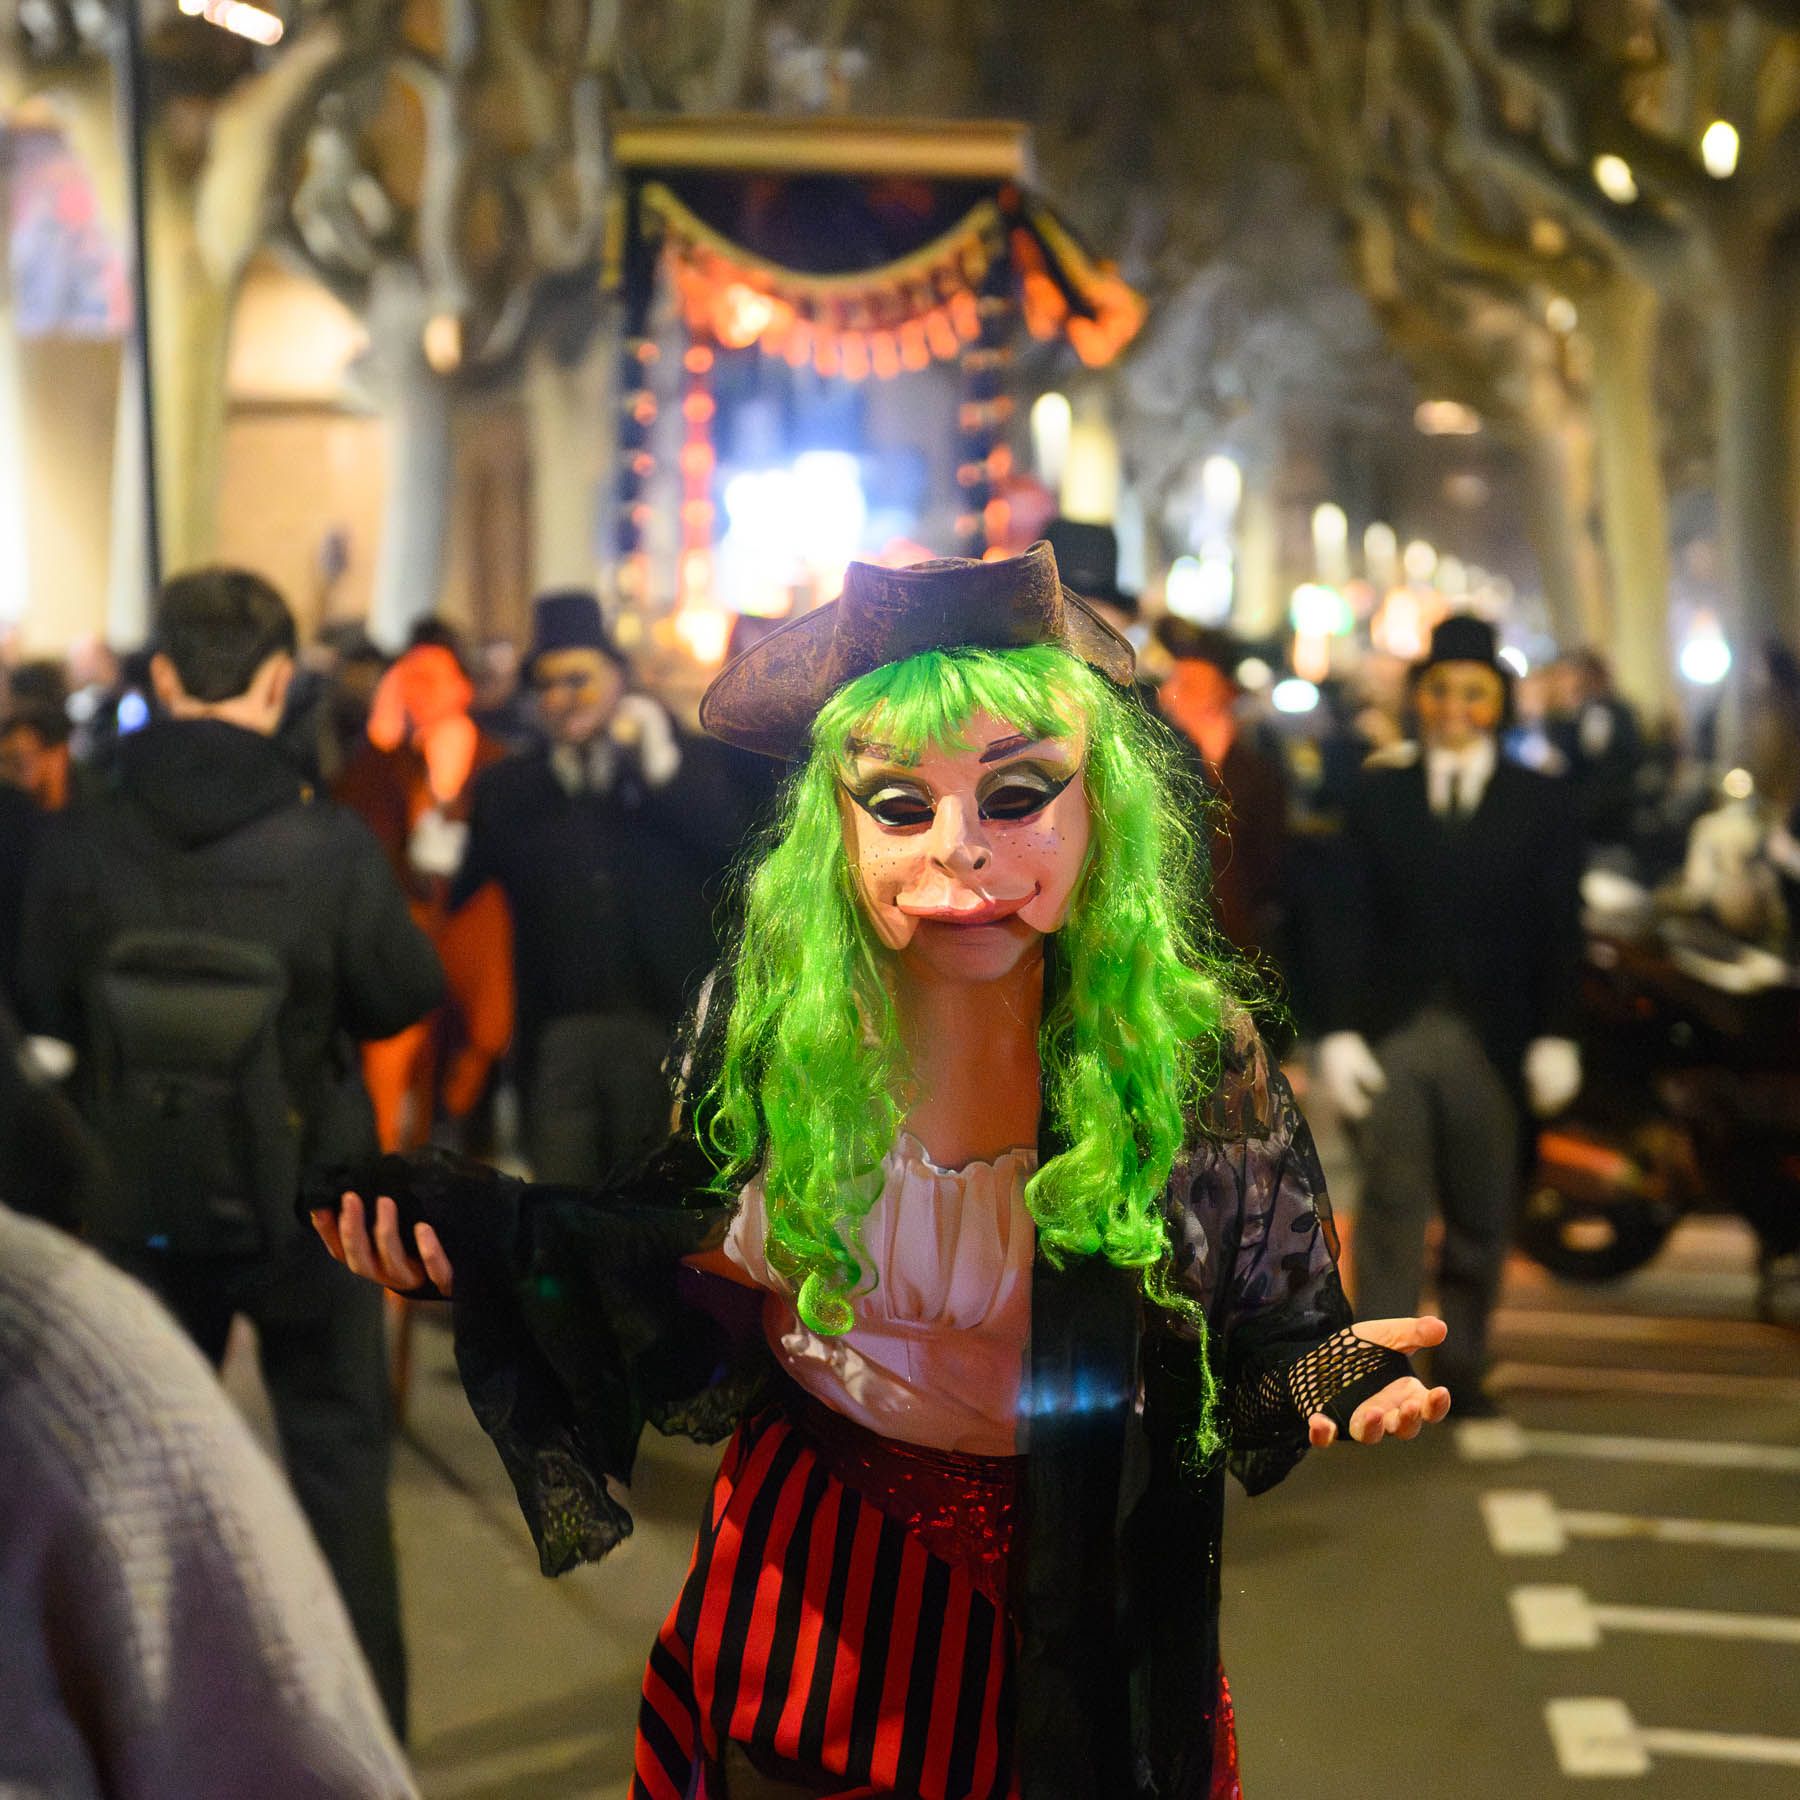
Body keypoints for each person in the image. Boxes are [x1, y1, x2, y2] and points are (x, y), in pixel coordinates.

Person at [314, 543, 1451, 1799]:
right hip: (809, 1581)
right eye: (901, 806)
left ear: (1100, 810)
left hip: (1090, 1590)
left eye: (1016, 796)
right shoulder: (779, 1020)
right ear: (840, 828)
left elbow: (1273, 1320)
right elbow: (664, 1245)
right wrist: (482, 1248)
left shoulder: (1181, 1052)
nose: (957, 850)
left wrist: (1335, 1374)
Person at [17, 566, 444, 1735]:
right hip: (314, 1210)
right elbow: (402, 993)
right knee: (340, 1478)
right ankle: (359, 1747)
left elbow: (41, 1005)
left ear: (159, 677)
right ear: (276, 683)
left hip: (132, 1207)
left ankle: (142, 1740)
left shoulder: (81, 838)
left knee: (135, 1495)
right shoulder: (329, 845)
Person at [0, 1196, 418, 1798]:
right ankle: (383, 1728)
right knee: (340, 1488)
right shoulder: (63, 1356)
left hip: (176, 1186)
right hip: (312, 1173)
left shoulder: (53, 1356)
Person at [1315, 613, 1584, 1414]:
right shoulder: (1377, 796)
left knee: (1483, 1204)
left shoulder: (1542, 803)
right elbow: (1344, 920)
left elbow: (1560, 928)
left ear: (1498, 703)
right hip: (1398, 1032)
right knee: (1394, 1205)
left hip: (1494, 1038)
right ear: (1418, 698)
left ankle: (1463, 1364)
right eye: (1439, 691)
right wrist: (1336, 1029)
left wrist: (1559, 1034)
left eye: (1474, 692)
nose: (1454, 708)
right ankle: (1385, 1371)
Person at [451, 588, 750, 1184]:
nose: (563, 700)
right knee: (564, 1202)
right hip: (556, 1030)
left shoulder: (681, 767)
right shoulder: (510, 787)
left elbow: (735, 851)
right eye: (547, 685)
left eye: (579, 679)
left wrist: (662, 769)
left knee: (657, 1196)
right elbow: (469, 889)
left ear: (618, 680)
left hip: (665, 1024)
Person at [337, 639, 515, 1151]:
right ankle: (391, 1155)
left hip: (465, 920)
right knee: (395, 1055)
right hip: (405, 924)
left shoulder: (491, 762)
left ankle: (450, 1128)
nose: (420, 699)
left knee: (478, 1036)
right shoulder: (379, 766)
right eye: (409, 686)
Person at [1155, 619, 1290, 963]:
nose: (1170, 694)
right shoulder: (1158, 762)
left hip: (1235, 944)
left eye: (1189, 684)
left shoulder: (1258, 774)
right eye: (1173, 681)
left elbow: (1268, 866)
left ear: (1222, 691)